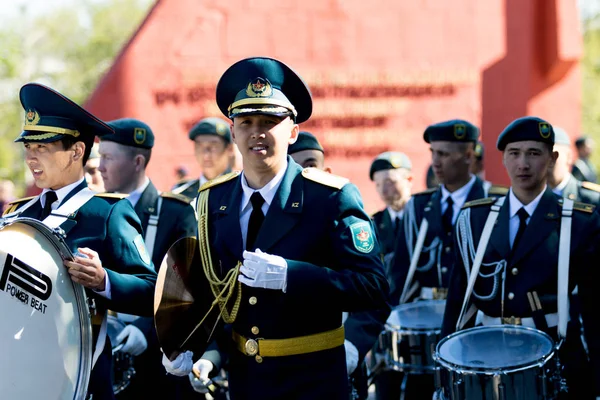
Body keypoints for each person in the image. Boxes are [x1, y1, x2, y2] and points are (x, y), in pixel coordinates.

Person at [161, 56, 390, 400]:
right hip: (247, 382)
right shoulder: (213, 199)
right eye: (247, 121)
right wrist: (199, 348)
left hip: (313, 380)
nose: (258, 132)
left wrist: (291, 275)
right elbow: (215, 290)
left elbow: (373, 287)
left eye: (269, 121)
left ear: (293, 131)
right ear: (233, 130)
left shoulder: (330, 197)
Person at [4, 83, 156, 400]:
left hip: (77, 379)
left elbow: (150, 291)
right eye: (28, 147)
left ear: (76, 151)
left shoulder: (107, 213)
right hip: (15, 372)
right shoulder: (17, 214)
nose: (31, 157)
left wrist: (105, 281)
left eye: (42, 147)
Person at [442, 117, 600, 400]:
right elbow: (458, 300)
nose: (523, 164)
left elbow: (595, 311)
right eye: (514, 153)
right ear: (503, 159)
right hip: (485, 358)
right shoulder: (475, 219)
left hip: (555, 359)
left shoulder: (579, 222)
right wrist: (443, 373)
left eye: (533, 153)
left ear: (552, 158)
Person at [384, 119, 506, 400]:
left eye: (445, 154)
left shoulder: (497, 203)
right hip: (425, 328)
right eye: (433, 153)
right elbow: (400, 275)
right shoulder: (417, 206)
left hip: (477, 327)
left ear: (468, 156)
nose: (435, 162)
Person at [98, 118, 197, 399]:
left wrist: (146, 330)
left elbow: (184, 291)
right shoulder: (97, 210)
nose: (100, 166)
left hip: (157, 364)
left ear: (138, 161)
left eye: (108, 157)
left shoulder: (175, 213)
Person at [288, 130, 389, 400]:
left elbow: (375, 293)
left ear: (327, 170)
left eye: (309, 165)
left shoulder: (344, 214)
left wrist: (352, 346)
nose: (301, 174)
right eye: (292, 166)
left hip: (338, 360)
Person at [172, 118, 235, 199]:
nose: (206, 155)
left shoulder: (244, 191)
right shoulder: (180, 195)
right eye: (199, 146)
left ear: (229, 149)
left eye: (213, 146)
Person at [369, 151, 413, 260]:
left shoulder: (424, 217)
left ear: (409, 180)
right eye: (378, 184)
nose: (383, 191)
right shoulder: (374, 224)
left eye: (389, 182)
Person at [549, 126, 600, 205]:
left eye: (553, 155)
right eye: (537, 154)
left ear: (569, 156)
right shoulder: (530, 195)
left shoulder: (593, 198)